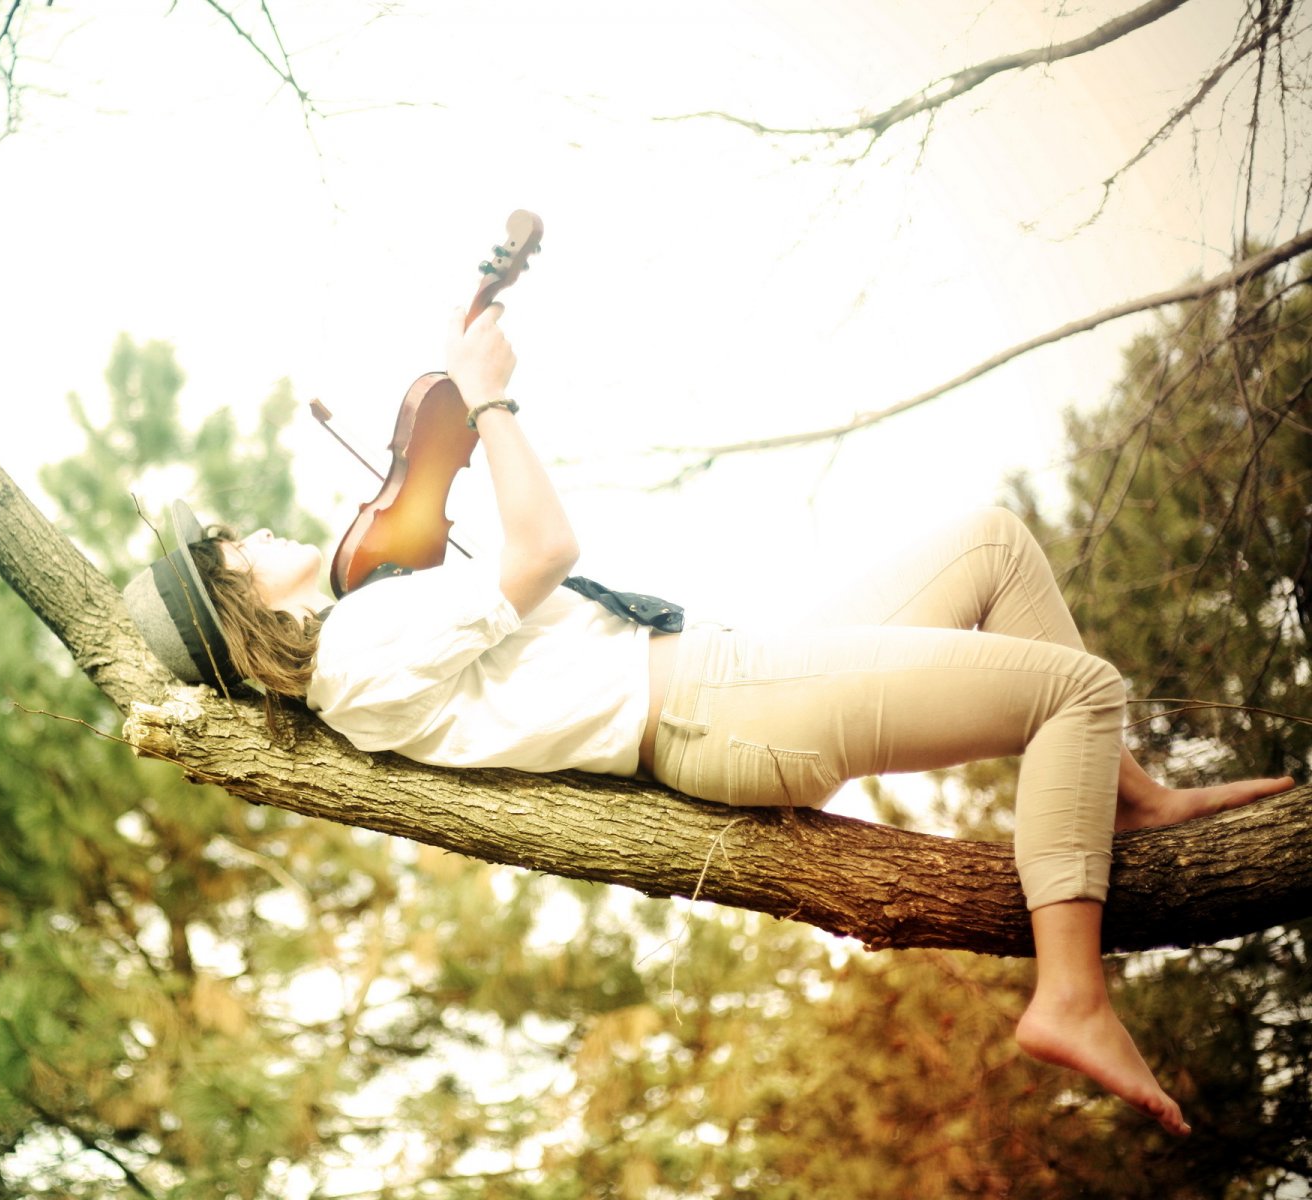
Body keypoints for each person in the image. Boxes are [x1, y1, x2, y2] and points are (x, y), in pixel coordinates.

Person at [120, 305, 1296, 1136]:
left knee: (991, 545)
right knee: (1077, 690)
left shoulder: (360, 639)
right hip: (715, 710)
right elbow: (545, 548)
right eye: (230, 548)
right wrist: (487, 398)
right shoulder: (360, 647)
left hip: (728, 680)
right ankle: (1070, 995)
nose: (251, 532)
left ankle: (1123, 798)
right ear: (235, 608)